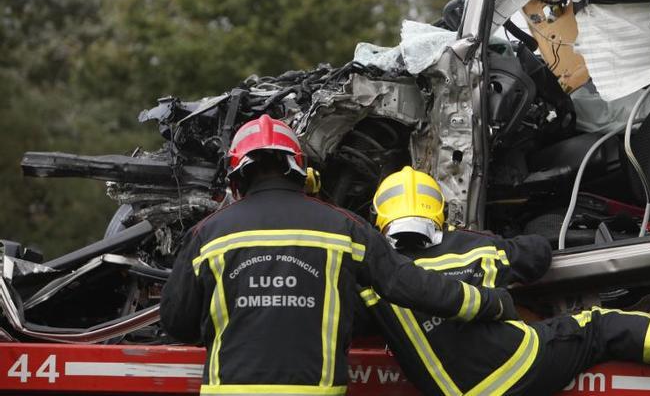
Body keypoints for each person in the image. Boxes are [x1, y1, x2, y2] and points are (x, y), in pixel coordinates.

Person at [160, 116, 518, 396]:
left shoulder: (206, 234)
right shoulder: (343, 227)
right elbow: (412, 286)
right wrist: (490, 303)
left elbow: (176, 322)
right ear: (302, 172)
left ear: (236, 178)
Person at [357, 166, 650, 396]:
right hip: (519, 366)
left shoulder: (376, 278)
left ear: (379, 219)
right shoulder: (474, 247)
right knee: (599, 326)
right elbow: (537, 255)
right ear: (440, 213)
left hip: (453, 391)